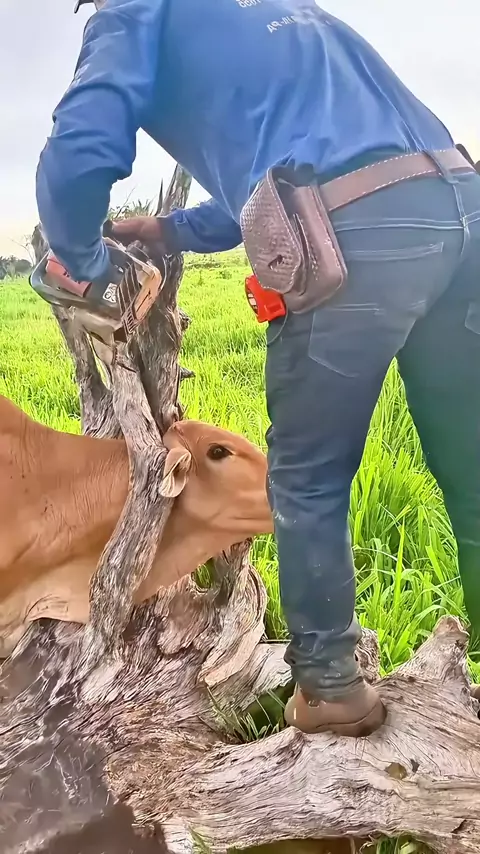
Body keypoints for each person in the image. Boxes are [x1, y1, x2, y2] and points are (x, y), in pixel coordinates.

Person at [36, 0, 480, 738]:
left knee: (308, 477)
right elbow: (305, 168)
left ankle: (331, 689)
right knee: (474, 473)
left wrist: (78, 259)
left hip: (354, 236)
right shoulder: (282, 12)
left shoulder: (135, 11)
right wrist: (172, 228)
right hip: (461, 208)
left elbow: (81, 146)